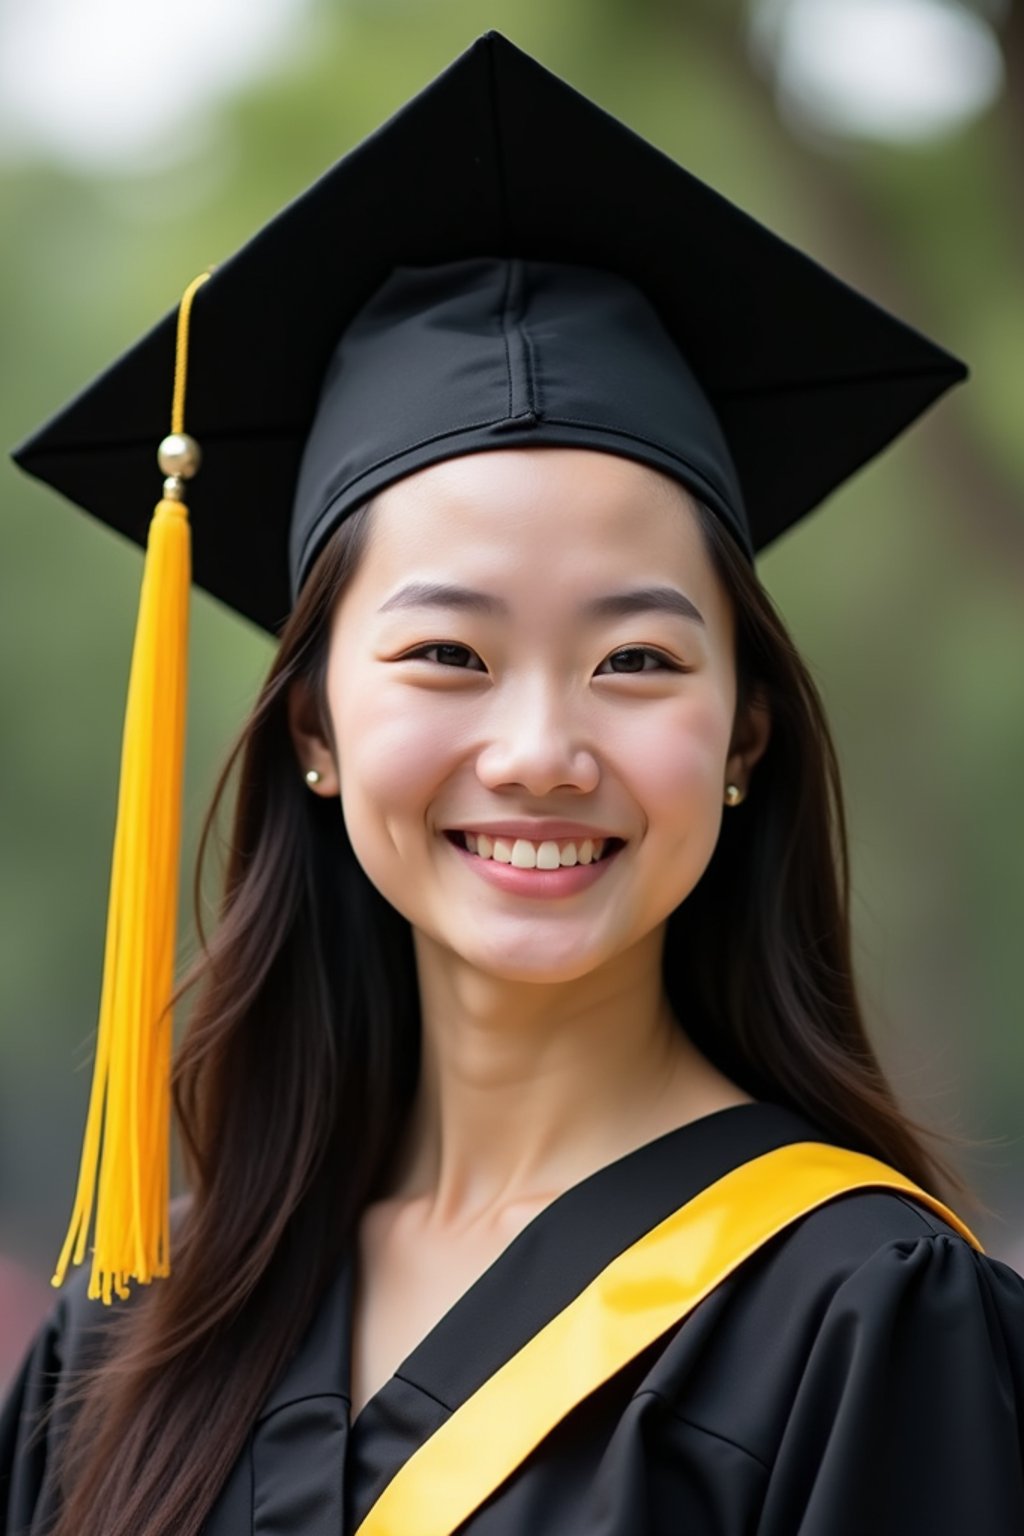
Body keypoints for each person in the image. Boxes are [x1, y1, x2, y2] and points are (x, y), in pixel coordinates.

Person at [2, 30, 1023, 1536]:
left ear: (746, 736)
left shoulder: (864, 1324)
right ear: (312, 730)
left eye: (636, 662)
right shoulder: (139, 1334)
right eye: (446, 655)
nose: (542, 749)